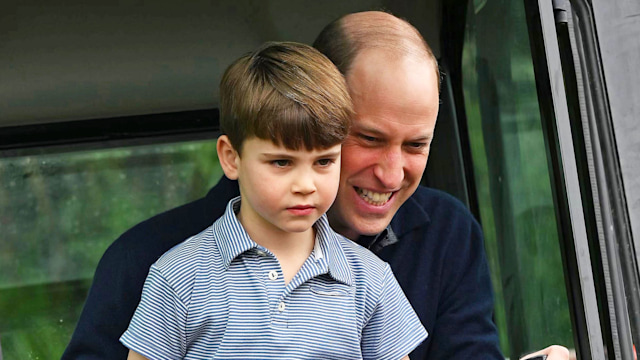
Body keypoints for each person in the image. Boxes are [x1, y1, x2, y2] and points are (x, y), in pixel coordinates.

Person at [63, 11, 570, 360]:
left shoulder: (442, 238)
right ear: (315, 112)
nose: (392, 175)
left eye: (416, 146)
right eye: (369, 139)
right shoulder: (157, 263)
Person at [119, 41, 427, 360]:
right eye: (281, 162)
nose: (306, 185)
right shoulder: (179, 275)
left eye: (323, 162)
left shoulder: (369, 279)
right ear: (231, 158)